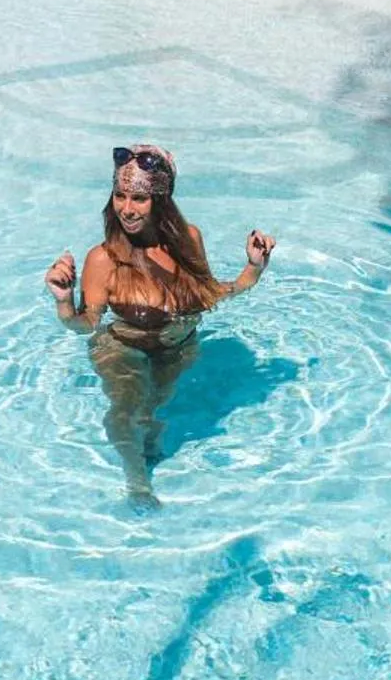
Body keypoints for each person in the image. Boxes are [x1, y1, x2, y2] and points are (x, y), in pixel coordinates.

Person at [45, 145, 275, 508]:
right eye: (120, 196)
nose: (127, 208)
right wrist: (62, 301)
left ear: (161, 199)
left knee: (151, 414)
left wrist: (254, 268)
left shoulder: (188, 241)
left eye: (139, 198)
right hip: (122, 346)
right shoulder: (103, 259)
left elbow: (208, 296)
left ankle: (146, 450)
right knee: (125, 413)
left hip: (179, 347)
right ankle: (137, 484)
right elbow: (87, 324)